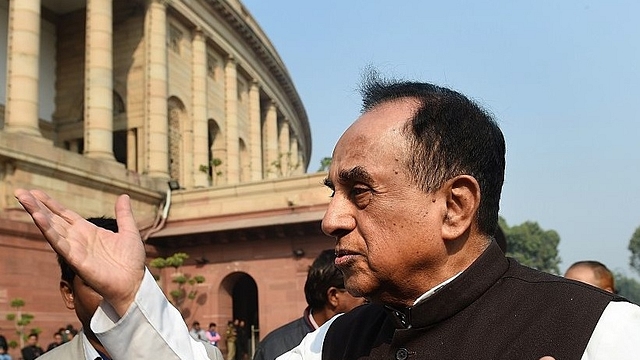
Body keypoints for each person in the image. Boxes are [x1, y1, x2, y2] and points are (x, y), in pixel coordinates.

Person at [13, 74, 640, 359]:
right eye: (330, 188)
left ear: (454, 207)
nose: (331, 218)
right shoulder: (341, 340)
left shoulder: (602, 336)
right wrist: (130, 297)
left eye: (359, 192)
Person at [37, 218, 222, 360]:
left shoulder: (201, 356)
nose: (115, 293)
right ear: (69, 293)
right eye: (97, 284)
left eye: (127, 282)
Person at [253, 249, 366, 360]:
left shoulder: (366, 336)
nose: (367, 299)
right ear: (333, 296)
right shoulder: (273, 348)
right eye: (358, 291)